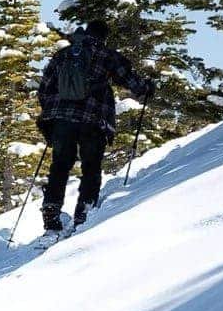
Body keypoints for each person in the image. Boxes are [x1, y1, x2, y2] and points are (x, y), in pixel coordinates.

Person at [35, 17, 155, 233]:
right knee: (91, 166)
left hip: (61, 120)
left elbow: (44, 88)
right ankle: (85, 210)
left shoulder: (63, 54)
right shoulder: (107, 55)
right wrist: (146, 87)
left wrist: (52, 114)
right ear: (103, 37)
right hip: (93, 119)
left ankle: (51, 209)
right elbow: (129, 79)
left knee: (60, 165)